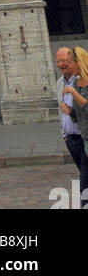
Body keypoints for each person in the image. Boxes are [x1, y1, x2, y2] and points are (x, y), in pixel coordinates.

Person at [55, 46, 88, 208]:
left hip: (85, 138)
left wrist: (74, 93)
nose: (61, 64)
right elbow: (72, 113)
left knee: (85, 186)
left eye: (65, 61)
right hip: (72, 139)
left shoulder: (82, 82)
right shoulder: (61, 83)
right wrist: (65, 134)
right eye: (58, 62)